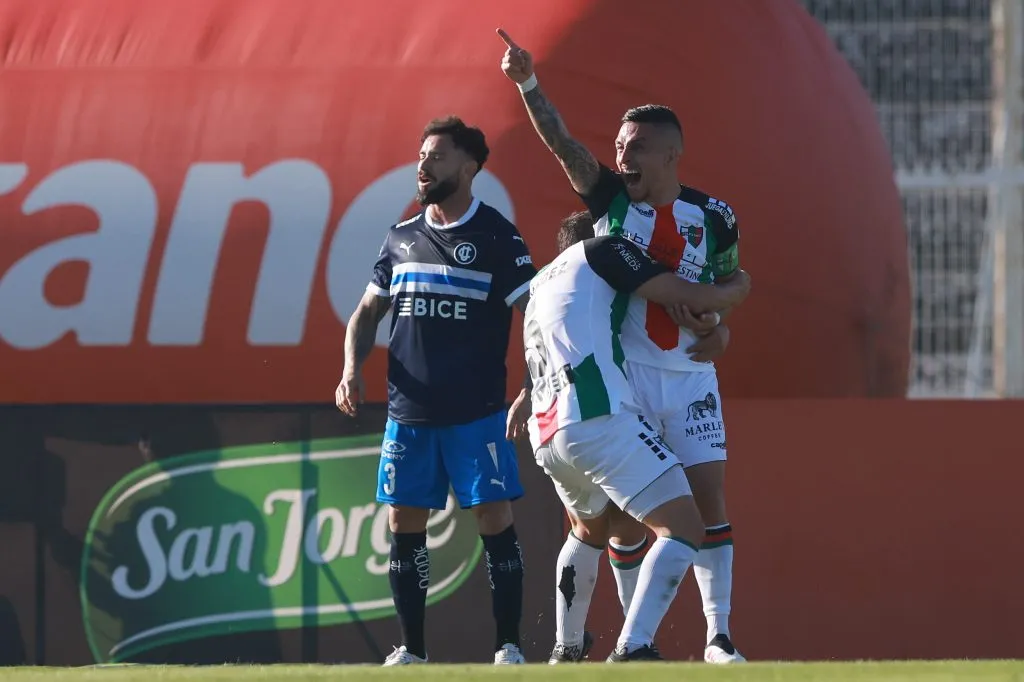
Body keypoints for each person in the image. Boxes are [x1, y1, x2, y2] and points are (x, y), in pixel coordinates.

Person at [498, 29, 748, 663]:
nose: (620, 156)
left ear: (672, 153)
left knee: (709, 500)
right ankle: (635, 645)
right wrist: (528, 82)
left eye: (633, 148)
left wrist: (720, 326)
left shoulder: (714, 215)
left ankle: (717, 637)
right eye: (617, 146)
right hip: (624, 380)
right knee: (634, 521)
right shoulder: (610, 205)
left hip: (688, 377)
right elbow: (562, 145)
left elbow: (731, 277)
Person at [335, 115, 536, 666]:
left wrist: (531, 386)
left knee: (493, 521)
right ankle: (413, 653)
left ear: (469, 167)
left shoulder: (497, 236)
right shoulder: (400, 238)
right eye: (421, 156)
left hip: (476, 414)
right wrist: (351, 369)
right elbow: (365, 314)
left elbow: (539, 319)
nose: (424, 165)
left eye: (438, 156)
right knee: (404, 524)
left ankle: (508, 648)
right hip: (409, 413)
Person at [522, 210, 750, 662]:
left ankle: (565, 650)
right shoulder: (604, 251)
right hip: (596, 419)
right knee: (685, 524)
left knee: (588, 531)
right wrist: (736, 289)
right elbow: (680, 293)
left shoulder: (541, 282)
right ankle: (634, 646)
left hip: (546, 431)